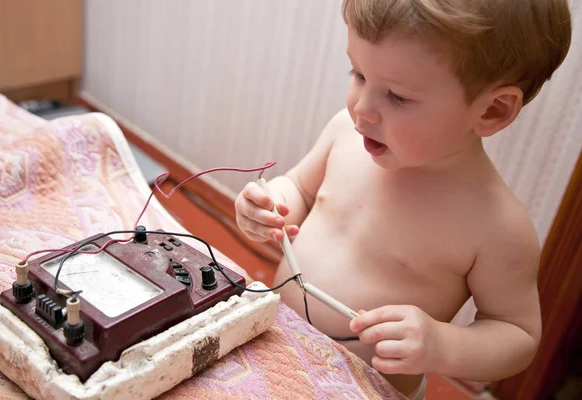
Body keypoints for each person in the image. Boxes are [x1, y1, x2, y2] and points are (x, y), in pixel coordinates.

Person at [234, 0, 572, 398]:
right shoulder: (346, 133)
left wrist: (442, 346)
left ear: (493, 110)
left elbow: (517, 335)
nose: (361, 108)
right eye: (358, 74)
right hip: (274, 346)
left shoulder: (496, 225)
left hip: (363, 389)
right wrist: (270, 203)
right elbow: (301, 189)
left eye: (397, 96)